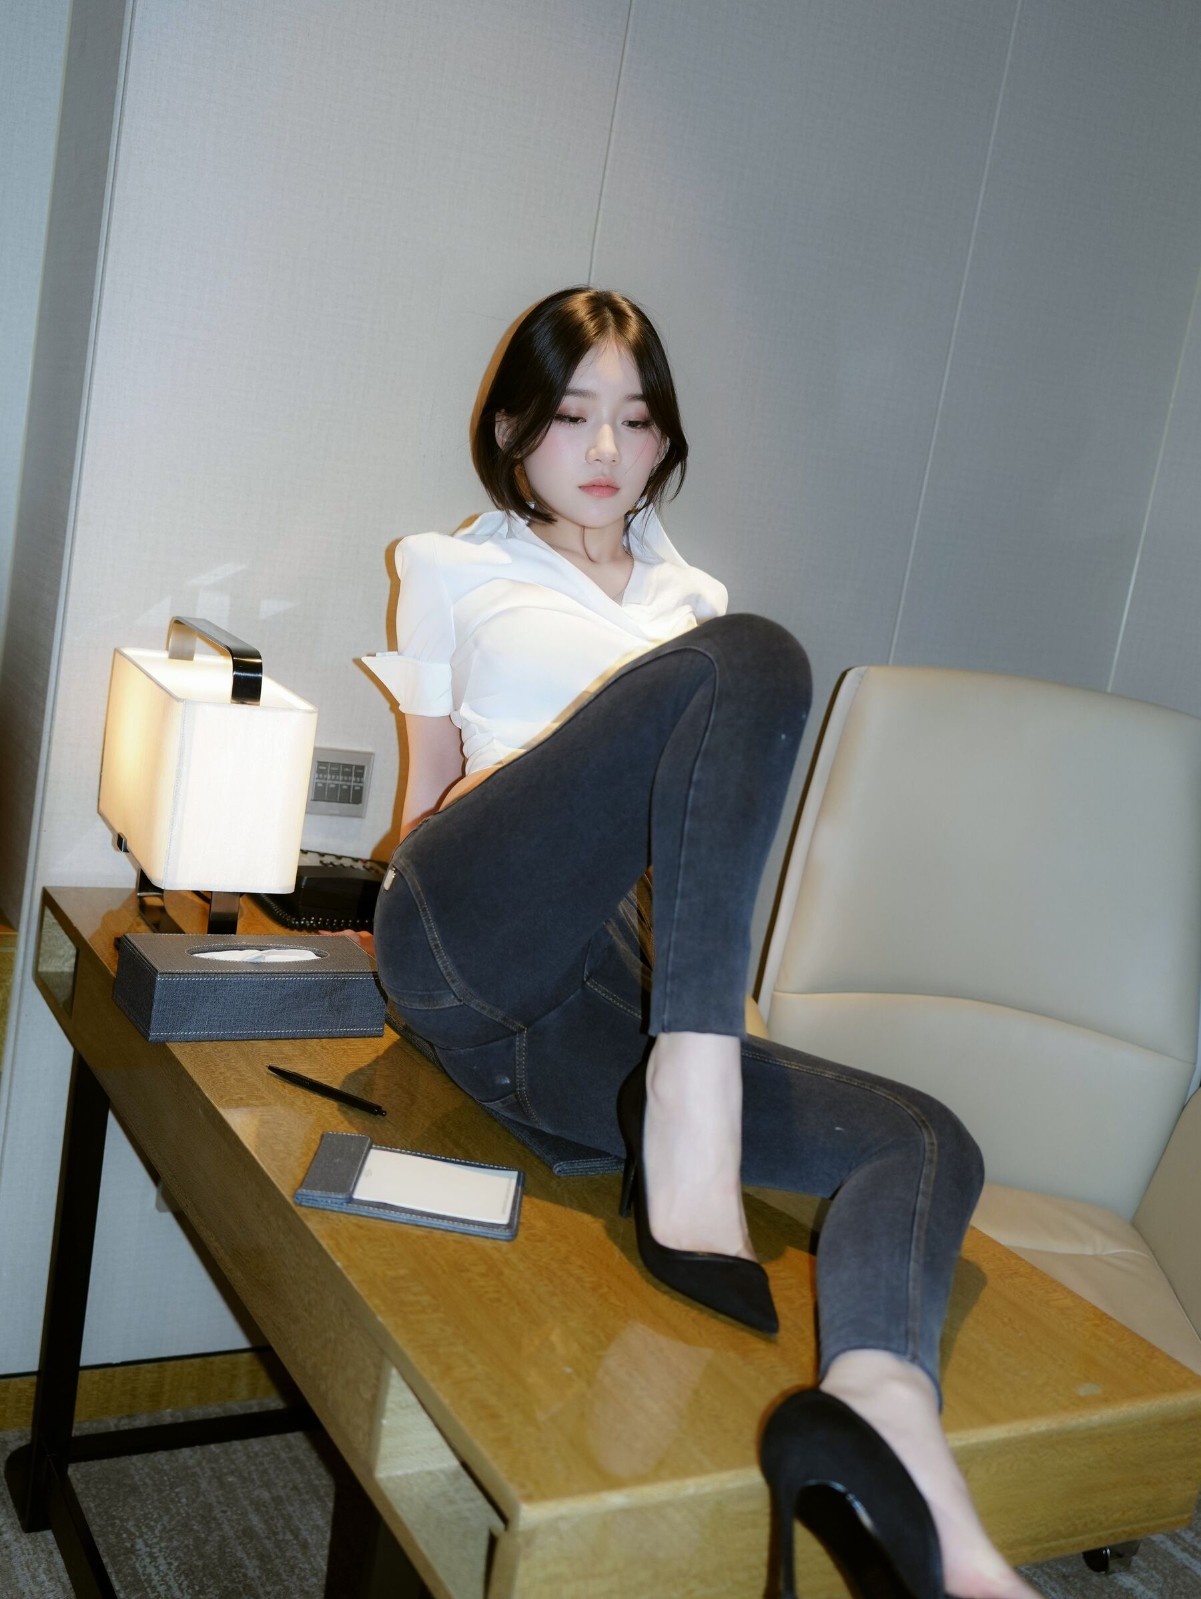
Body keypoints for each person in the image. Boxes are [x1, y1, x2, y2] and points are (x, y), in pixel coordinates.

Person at [366, 287, 1036, 1599]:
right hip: (470, 924)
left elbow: (695, 868)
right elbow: (427, 791)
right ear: (510, 429)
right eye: (571, 416)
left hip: (593, 1018)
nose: (604, 450)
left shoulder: (690, 599)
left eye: (635, 420)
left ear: (665, 438)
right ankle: (691, 1091)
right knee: (754, 656)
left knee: (926, 1140)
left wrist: (694, 1001)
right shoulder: (451, 567)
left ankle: (884, 1423)